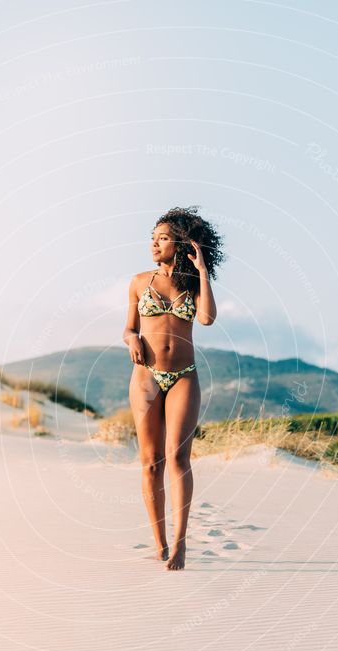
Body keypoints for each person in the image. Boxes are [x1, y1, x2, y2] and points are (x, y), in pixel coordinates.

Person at [123, 206, 225, 570]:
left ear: (180, 243)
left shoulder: (193, 284)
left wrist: (202, 272)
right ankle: (160, 543)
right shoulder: (138, 282)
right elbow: (129, 328)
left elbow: (208, 319)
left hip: (184, 375)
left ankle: (181, 544)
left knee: (179, 458)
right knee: (152, 463)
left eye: (162, 239)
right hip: (147, 376)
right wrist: (132, 340)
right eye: (152, 239)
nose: (154, 244)